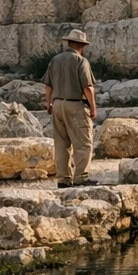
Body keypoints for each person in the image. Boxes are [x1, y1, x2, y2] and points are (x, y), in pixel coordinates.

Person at [42, 28, 97, 187]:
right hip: (76, 105)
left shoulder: (55, 60)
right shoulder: (81, 61)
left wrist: (49, 103)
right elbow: (88, 87)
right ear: (82, 46)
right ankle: (81, 177)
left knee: (61, 144)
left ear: (68, 42)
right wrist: (93, 107)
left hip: (58, 104)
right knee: (83, 142)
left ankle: (63, 179)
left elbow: (47, 85)